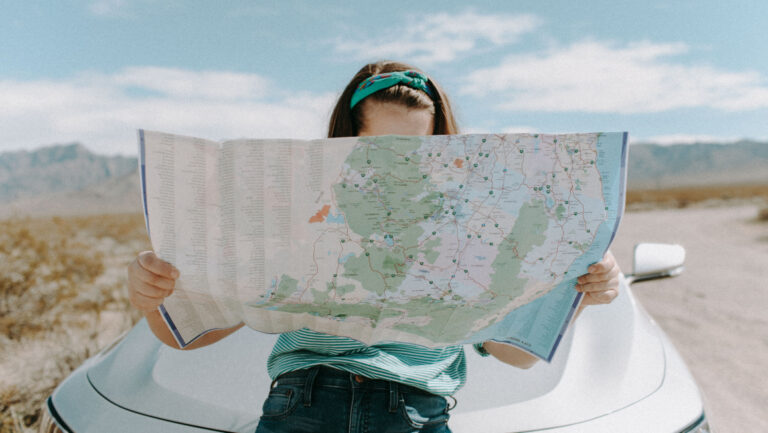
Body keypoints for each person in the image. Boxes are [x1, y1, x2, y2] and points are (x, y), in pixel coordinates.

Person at [126, 60, 622, 433]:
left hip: (416, 413)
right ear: (344, 142)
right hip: (302, 405)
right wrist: (153, 298)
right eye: (377, 149)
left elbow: (514, 355)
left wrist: (579, 291)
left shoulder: (476, 221)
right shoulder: (302, 210)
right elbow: (190, 333)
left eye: (415, 151)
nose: (396, 166)